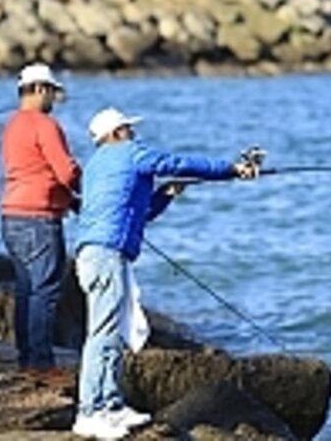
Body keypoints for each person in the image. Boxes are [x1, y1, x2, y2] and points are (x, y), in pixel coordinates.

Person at [70, 107, 259, 439]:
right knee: (103, 334)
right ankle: (90, 412)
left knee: (111, 332)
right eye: (128, 129)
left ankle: (110, 404)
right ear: (115, 134)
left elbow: (141, 213)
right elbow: (176, 162)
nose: (133, 134)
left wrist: (167, 193)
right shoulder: (128, 153)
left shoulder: (96, 166)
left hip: (97, 254)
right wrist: (231, 169)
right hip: (106, 255)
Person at [0, 63, 80, 382]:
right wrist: (87, 189)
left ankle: (27, 358)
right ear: (38, 89)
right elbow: (66, 171)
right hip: (39, 217)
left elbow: (32, 170)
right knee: (44, 291)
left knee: (26, 290)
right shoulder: (45, 125)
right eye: (50, 91)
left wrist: (67, 200)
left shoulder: (11, 125)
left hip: (12, 214)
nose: (52, 98)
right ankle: (41, 363)